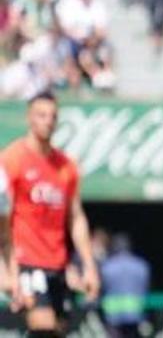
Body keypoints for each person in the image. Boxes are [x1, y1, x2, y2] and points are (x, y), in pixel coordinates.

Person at [0, 91, 100, 337]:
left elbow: (75, 217)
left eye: (53, 116)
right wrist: (5, 271)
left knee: (58, 331)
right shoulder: (11, 160)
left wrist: (88, 266)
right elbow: (2, 221)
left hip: (58, 265)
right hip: (25, 262)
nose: (48, 121)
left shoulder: (66, 166)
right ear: (29, 118)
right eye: (41, 115)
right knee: (43, 327)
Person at [99, 233, 149, 338]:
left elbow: (102, 289)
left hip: (113, 313)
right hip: (134, 311)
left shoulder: (106, 266)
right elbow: (145, 288)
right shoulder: (141, 265)